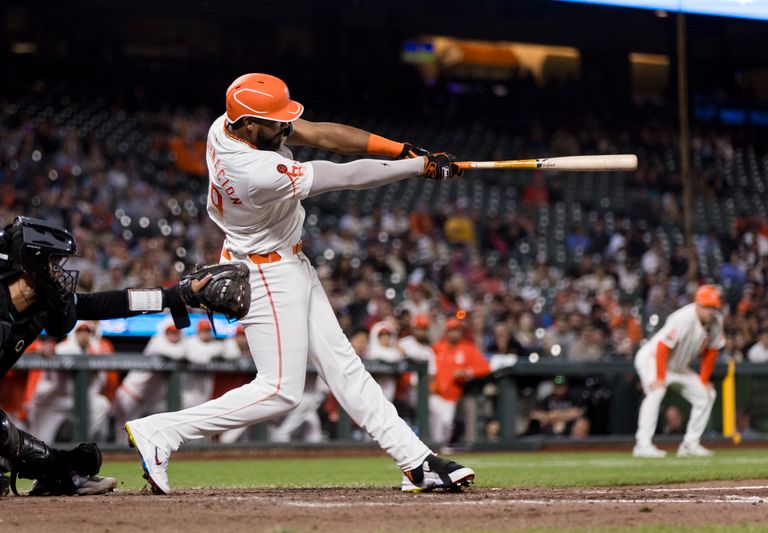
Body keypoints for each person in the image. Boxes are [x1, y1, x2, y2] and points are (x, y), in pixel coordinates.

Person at [124, 72, 474, 495]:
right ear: (249, 123)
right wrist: (416, 167)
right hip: (266, 272)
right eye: (274, 121)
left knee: (344, 367)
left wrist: (402, 149)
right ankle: (161, 432)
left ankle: (417, 462)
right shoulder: (255, 170)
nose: (285, 127)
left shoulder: (228, 125)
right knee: (279, 390)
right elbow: (345, 176)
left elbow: (321, 134)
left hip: (284, 260)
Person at [0, 216, 210, 496]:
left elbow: (108, 304)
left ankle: (53, 469)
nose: (57, 273)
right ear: (31, 263)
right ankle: (53, 467)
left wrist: (174, 296)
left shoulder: (37, 306)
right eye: (51, 264)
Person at [632, 285, 725, 458]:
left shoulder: (716, 321)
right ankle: (642, 445)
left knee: (707, 394)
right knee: (656, 392)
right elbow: (662, 346)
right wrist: (659, 377)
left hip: (677, 367)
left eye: (713, 307)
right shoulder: (683, 317)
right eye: (707, 307)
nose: (710, 311)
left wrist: (704, 381)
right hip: (652, 359)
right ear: (697, 304)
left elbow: (711, 352)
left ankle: (690, 444)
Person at [27, 321, 112, 444]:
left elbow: (102, 382)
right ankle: (36, 452)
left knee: (102, 404)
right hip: (60, 399)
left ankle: (86, 447)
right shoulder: (63, 348)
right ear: (74, 333)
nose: (84, 335)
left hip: (84, 399)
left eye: (87, 332)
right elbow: (46, 376)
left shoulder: (97, 349)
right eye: (80, 332)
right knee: (39, 438)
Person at [110, 320, 187, 444]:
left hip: (150, 401)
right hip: (130, 395)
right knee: (123, 437)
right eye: (170, 332)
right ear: (164, 332)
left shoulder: (180, 344)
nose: (173, 335)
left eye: (176, 332)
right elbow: (178, 353)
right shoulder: (157, 342)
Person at [429, 318, 491, 446]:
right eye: (452, 330)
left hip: (454, 396)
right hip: (435, 395)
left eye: (457, 331)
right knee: (436, 430)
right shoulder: (437, 348)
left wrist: (467, 372)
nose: (455, 334)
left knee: (447, 428)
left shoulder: (468, 349)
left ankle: (445, 451)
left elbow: (485, 367)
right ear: (446, 332)